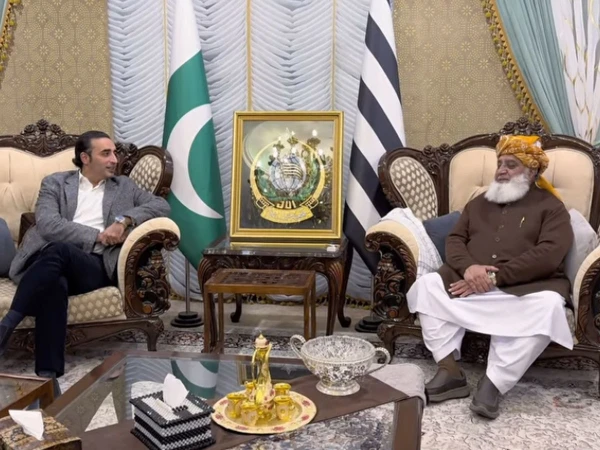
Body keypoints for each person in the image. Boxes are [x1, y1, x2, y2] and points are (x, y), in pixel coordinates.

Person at [407, 134, 574, 419]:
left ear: (532, 170)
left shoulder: (552, 208)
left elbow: (549, 254)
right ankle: (449, 371)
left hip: (525, 288)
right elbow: (455, 240)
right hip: (466, 280)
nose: (501, 170)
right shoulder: (479, 202)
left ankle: (494, 383)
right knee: (426, 287)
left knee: (548, 308)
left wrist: (495, 279)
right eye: (500, 164)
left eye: (511, 165)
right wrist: (469, 269)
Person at [0, 131, 170, 396]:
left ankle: (7, 325)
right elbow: (48, 224)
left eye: (115, 153)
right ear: (85, 157)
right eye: (106, 153)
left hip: (93, 265)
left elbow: (160, 206)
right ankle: (48, 376)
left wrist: (124, 220)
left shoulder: (124, 186)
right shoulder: (56, 183)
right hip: (44, 259)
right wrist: (97, 236)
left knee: (59, 252)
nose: (114, 159)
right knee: (55, 282)